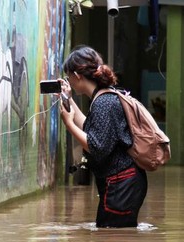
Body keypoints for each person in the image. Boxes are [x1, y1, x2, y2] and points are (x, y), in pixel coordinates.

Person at [58, 45, 148, 228]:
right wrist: (69, 100)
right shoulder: (103, 98)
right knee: (114, 239)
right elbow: (89, 127)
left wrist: (68, 124)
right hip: (124, 182)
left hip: (121, 185)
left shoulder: (103, 103)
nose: (70, 82)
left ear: (77, 75)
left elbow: (96, 146)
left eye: (69, 77)